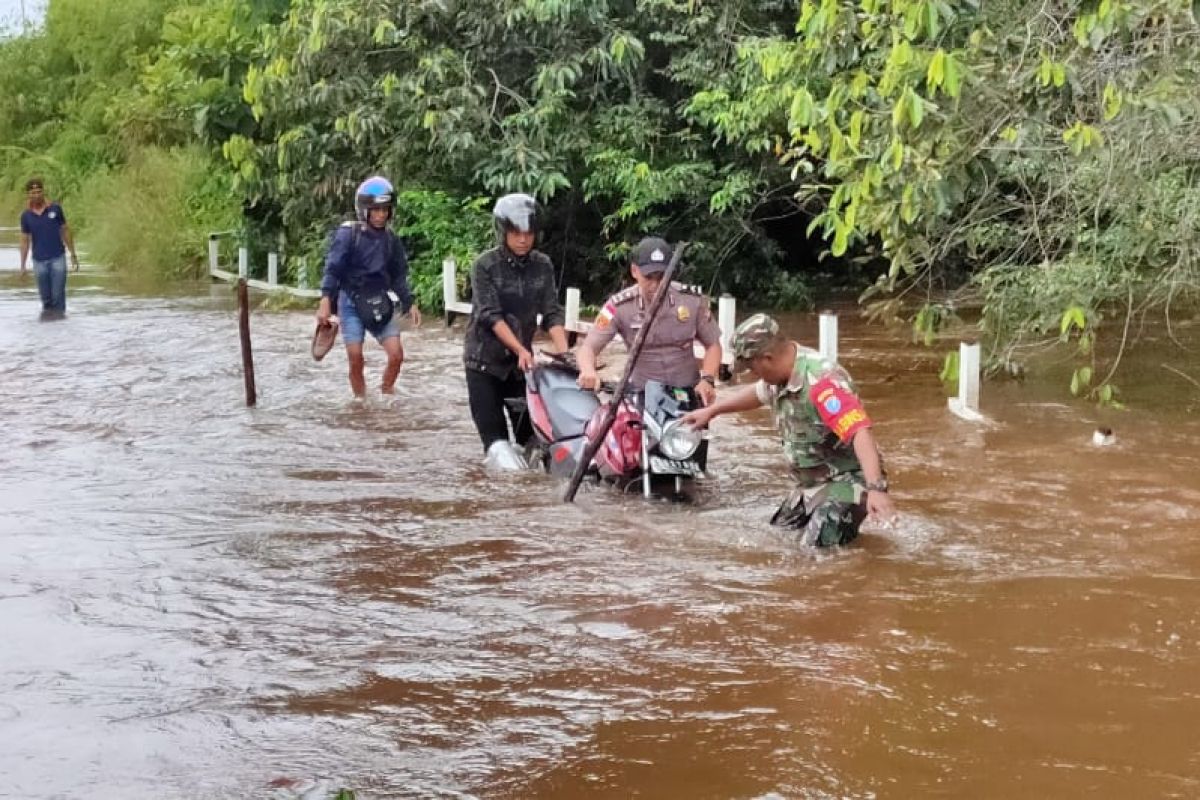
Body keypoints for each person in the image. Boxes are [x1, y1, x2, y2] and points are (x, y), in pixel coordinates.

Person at [682, 313, 895, 546]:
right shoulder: (778, 377)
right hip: (812, 484)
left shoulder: (822, 382)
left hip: (847, 482)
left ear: (768, 358)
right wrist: (713, 411)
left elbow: (859, 431)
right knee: (778, 536)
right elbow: (757, 393)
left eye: (752, 367)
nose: (752, 374)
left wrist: (877, 490)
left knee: (814, 553)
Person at [463, 193, 569, 462]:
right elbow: (490, 315)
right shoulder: (484, 265)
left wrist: (566, 353)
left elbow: (551, 313)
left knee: (533, 444)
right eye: (516, 233)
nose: (523, 239)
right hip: (483, 364)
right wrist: (521, 349)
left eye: (529, 233)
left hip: (521, 369)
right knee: (498, 447)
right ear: (503, 232)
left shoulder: (542, 265)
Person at [576, 236, 722, 404]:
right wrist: (588, 371)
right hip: (642, 395)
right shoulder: (617, 307)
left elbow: (713, 345)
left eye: (661, 278)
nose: (655, 285)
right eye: (649, 277)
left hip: (689, 394)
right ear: (634, 271)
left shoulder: (691, 301)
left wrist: (708, 379)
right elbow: (588, 348)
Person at [316, 175, 421, 397]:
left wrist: (409, 303)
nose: (381, 215)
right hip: (350, 301)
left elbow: (398, 276)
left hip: (379, 300)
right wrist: (326, 300)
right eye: (376, 209)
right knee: (355, 356)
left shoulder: (391, 240)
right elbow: (333, 268)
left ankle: (386, 392)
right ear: (364, 210)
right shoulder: (348, 234)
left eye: (385, 209)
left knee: (396, 355)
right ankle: (360, 402)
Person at [18, 177, 79, 317]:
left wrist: (73, 254)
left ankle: (60, 327)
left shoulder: (55, 209)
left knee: (58, 295)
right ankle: (48, 330)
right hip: (39, 261)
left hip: (58, 257)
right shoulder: (26, 216)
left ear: (43, 192)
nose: (36, 195)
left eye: (39, 191)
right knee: (46, 299)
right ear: (28, 194)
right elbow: (24, 241)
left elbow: (65, 231)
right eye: (33, 193)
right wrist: (22, 266)